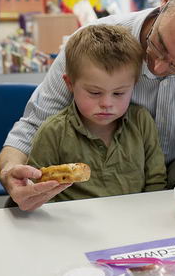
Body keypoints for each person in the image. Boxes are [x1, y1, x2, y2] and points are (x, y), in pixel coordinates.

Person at [0, 0, 175, 223]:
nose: (158, 67)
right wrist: (11, 173)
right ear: (165, 2)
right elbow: (33, 126)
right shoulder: (92, 42)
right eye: (160, 45)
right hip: (104, 174)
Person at [25, 24, 167, 203]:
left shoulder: (141, 121)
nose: (107, 104)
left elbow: (156, 180)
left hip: (134, 220)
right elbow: (37, 187)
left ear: (134, 85)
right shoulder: (53, 132)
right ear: (70, 84)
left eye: (118, 93)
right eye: (94, 92)